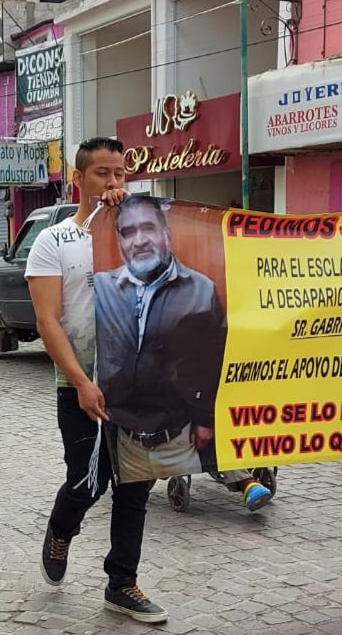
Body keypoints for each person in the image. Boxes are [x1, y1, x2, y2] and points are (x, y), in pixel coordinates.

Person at [26, 137, 168, 624]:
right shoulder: (55, 241)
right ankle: (61, 527)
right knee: (89, 481)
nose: (113, 183)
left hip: (137, 385)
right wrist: (81, 381)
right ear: (79, 179)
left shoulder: (145, 234)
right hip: (82, 386)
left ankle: (122, 583)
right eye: (103, 173)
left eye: (120, 173)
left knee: (136, 484)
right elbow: (48, 322)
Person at [95, 195, 272, 510]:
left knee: (217, 437)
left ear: (167, 234)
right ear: (119, 242)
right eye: (128, 232)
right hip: (126, 434)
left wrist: (205, 417)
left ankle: (246, 481)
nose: (139, 240)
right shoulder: (102, 288)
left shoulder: (200, 290)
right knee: (128, 509)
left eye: (148, 228)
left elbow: (211, 361)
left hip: (181, 424)